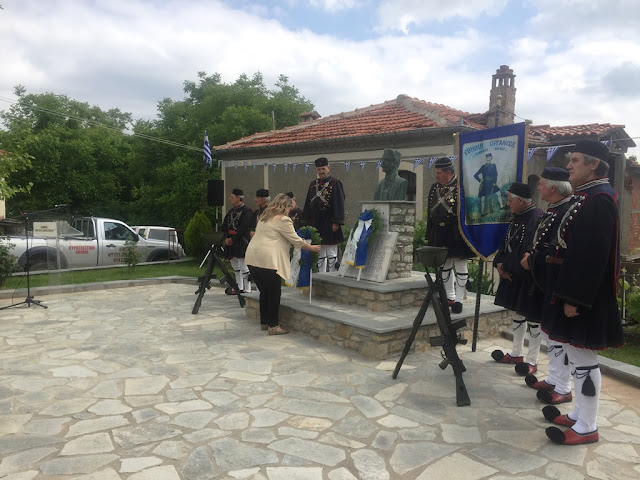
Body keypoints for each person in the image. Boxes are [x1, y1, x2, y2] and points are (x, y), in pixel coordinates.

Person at [536, 140, 624, 446]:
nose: (569, 165)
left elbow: (592, 255)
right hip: (574, 289)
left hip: (585, 296)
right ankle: (578, 414)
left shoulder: (600, 199)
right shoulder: (587, 196)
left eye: (574, 160)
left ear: (593, 164)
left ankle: (587, 426)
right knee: (576, 356)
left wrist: (575, 299)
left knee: (584, 359)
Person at [520, 167, 579, 403]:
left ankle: (563, 387)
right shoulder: (554, 210)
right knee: (550, 335)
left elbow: (559, 252)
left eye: (542, 184)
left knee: (558, 336)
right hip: (545, 280)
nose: (538, 187)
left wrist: (532, 259)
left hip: (557, 280)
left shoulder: (567, 212)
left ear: (553, 188)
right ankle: (555, 378)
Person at [245, 193, 321, 334]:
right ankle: (273, 326)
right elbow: (296, 240)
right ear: (285, 206)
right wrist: (312, 248)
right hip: (268, 260)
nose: (291, 209)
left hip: (252, 258)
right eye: (290, 206)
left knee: (265, 292)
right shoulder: (283, 220)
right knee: (274, 293)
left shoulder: (264, 217)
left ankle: (264, 322)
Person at [491, 182, 544, 372]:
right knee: (517, 315)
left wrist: (507, 267)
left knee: (533, 319)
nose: (508, 204)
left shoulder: (536, 218)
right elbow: (506, 244)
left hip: (527, 277)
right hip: (512, 273)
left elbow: (527, 249)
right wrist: (498, 263)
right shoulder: (517, 217)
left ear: (520, 200)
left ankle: (532, 361)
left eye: (510, 200)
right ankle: (516, 353)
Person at [425, 157, 474, 313]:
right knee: (444, 265)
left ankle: (459, 300)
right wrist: (429, 234)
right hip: (439, 232)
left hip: (456, 232)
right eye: (436, 172)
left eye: (439, 173)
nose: (436, 176)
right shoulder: (434, 188)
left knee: (460, 265)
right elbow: (430, 212)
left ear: (448, 172)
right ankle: (450, 297)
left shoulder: (461, 187)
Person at [301, 157, 345, 272]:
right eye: (319, 169)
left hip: (329, 222)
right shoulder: (313, 184)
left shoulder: (335, 183)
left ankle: (332, 274)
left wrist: (336, 221)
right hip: (316, 222)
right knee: (319, 250)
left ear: (328, 168)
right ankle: (322, 274)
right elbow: (308, 203)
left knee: (331, 251)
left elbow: (339, 202)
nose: (321, 171)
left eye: (323, 169)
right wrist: (305, 221)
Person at [221, 188, 253, 294]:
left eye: (232, 197)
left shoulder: (247, 212)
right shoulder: (231, 212)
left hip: (241, 241)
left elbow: (244, 229)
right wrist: (226, 238)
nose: (229, 199)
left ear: (238, 198)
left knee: (243, 265)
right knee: (235, 265)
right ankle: (238, 287)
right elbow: (224, 226)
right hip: (231, 242)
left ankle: (247, 288)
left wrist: (233, 239)